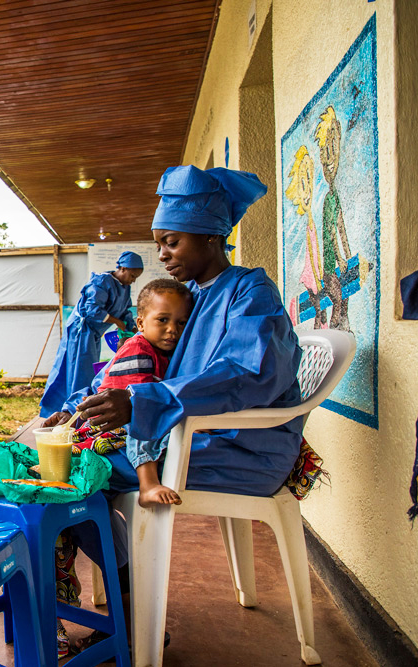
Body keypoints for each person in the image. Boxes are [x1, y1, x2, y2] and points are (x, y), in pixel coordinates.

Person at [46, 165, 303, 611]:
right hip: (191, 437)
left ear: (211, 236)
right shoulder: (191, 298)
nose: (162, 254)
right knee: (69, 460)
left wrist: (143, 402)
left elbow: (248, 374)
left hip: (241, 447)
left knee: (73, 475)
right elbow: (135, 362)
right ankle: (130, 596)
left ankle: (135, 610)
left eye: (171, 241)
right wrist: (80, 406)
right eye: (160, 243)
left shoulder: (250, 292)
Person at [71, 279, 192, 507]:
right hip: (109, 425)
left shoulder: (162, 352)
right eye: (163, 320)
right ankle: (148, 484)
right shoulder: (138, 349)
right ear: (141, 323)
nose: (172, 329)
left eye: (181, 323)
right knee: (144, 416)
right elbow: (140, 405)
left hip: (121, 421)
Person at [39, 251, 144, 417]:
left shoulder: (124, 288)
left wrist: (133, 329)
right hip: (81, 330)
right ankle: (69, 412)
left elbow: (125, 312)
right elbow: (91, 310)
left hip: (93, 333)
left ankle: (81, 409)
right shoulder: (102, 282)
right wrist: (117, 322)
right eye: (132, 276)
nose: (133, 280)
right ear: (122, 268)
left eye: (136, 278)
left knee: (87, 371)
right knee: (78, 371)